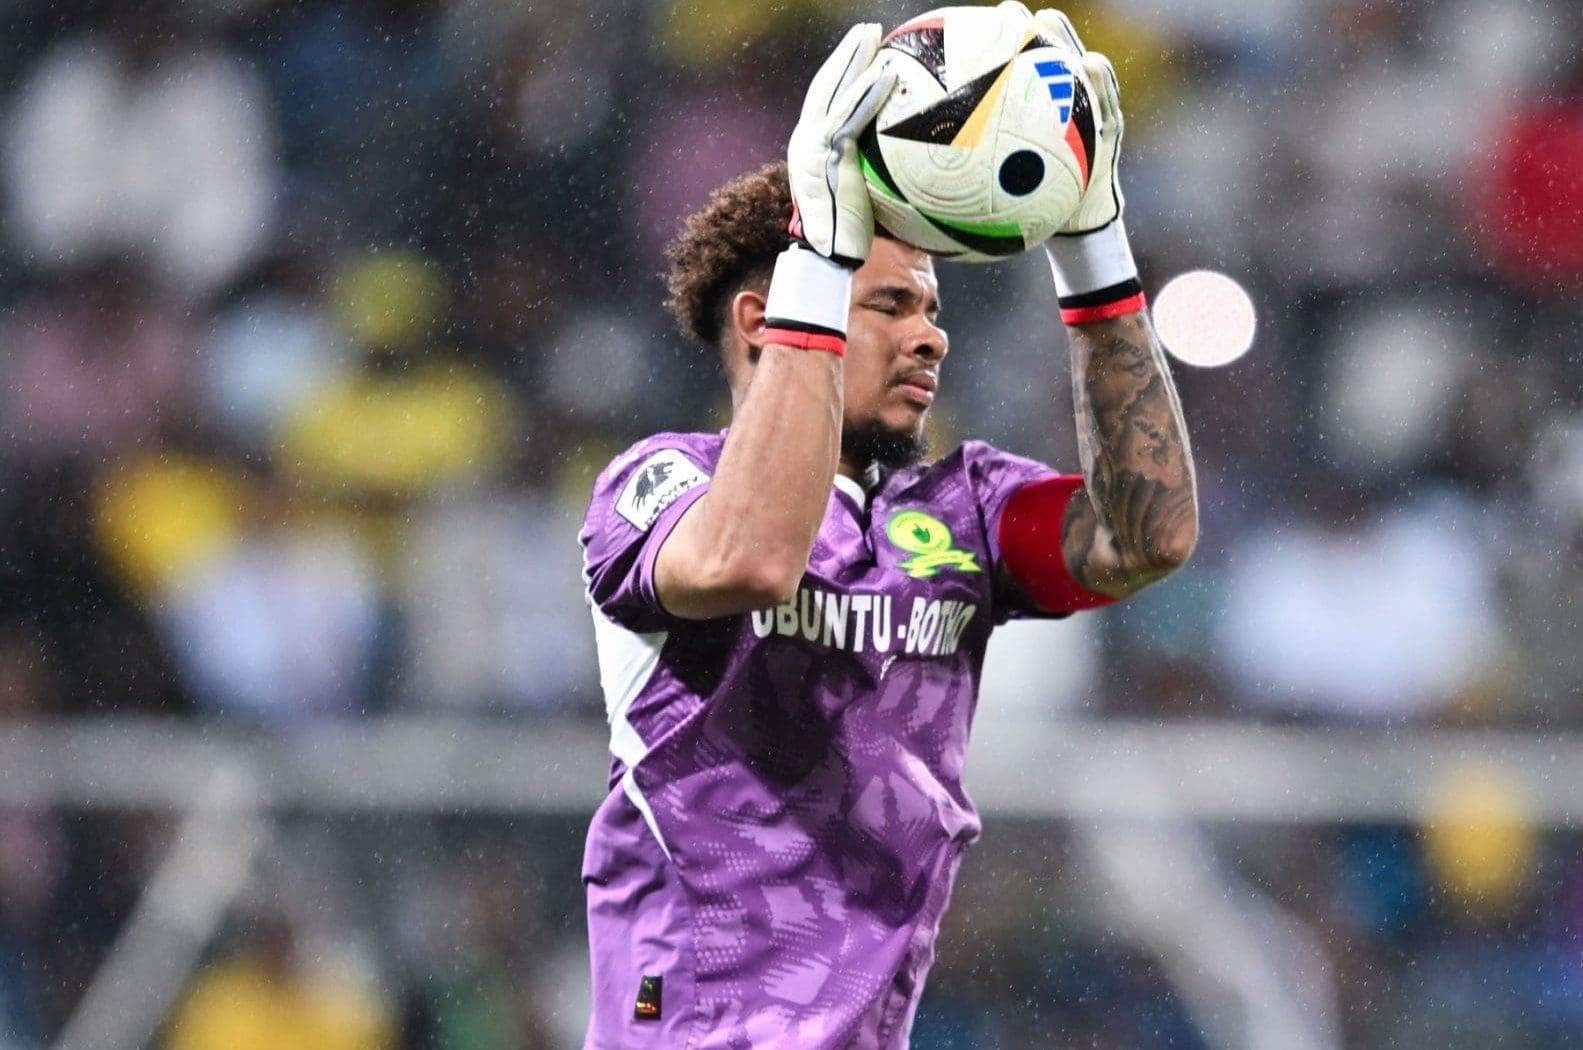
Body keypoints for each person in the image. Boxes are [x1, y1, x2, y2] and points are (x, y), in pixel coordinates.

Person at [578, 10, 1197, 1047]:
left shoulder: (963, 510)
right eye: (889, 305)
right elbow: (754, 556)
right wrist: (820, 252)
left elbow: (1148, 537)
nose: (929, 335)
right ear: (762, 315)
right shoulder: (657, 483)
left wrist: (1093, 251)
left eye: (933, 308)